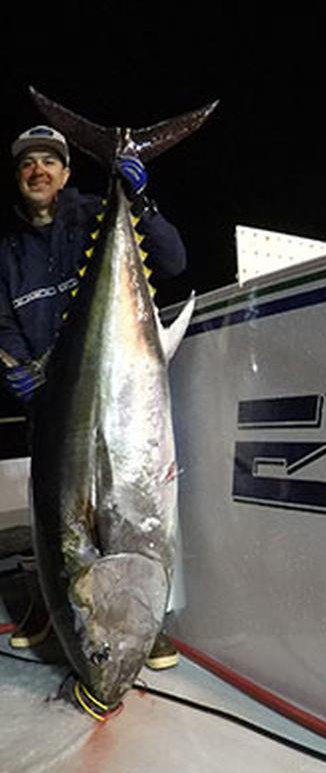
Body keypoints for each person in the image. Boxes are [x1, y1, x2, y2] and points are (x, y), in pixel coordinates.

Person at [0, 123, 186, 670]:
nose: (38, 171)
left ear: (65, 173)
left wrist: (139, 197)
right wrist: (17, 370)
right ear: (20, 176)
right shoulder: (7, 252)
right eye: (27, 163)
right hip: (51, 404)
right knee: (55, 510)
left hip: (115, 382)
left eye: (48, 162)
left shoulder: (90, 218)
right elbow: (3, 324)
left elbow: (173, 262)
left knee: (135, 495)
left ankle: (142, 616)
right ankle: (51, 602)